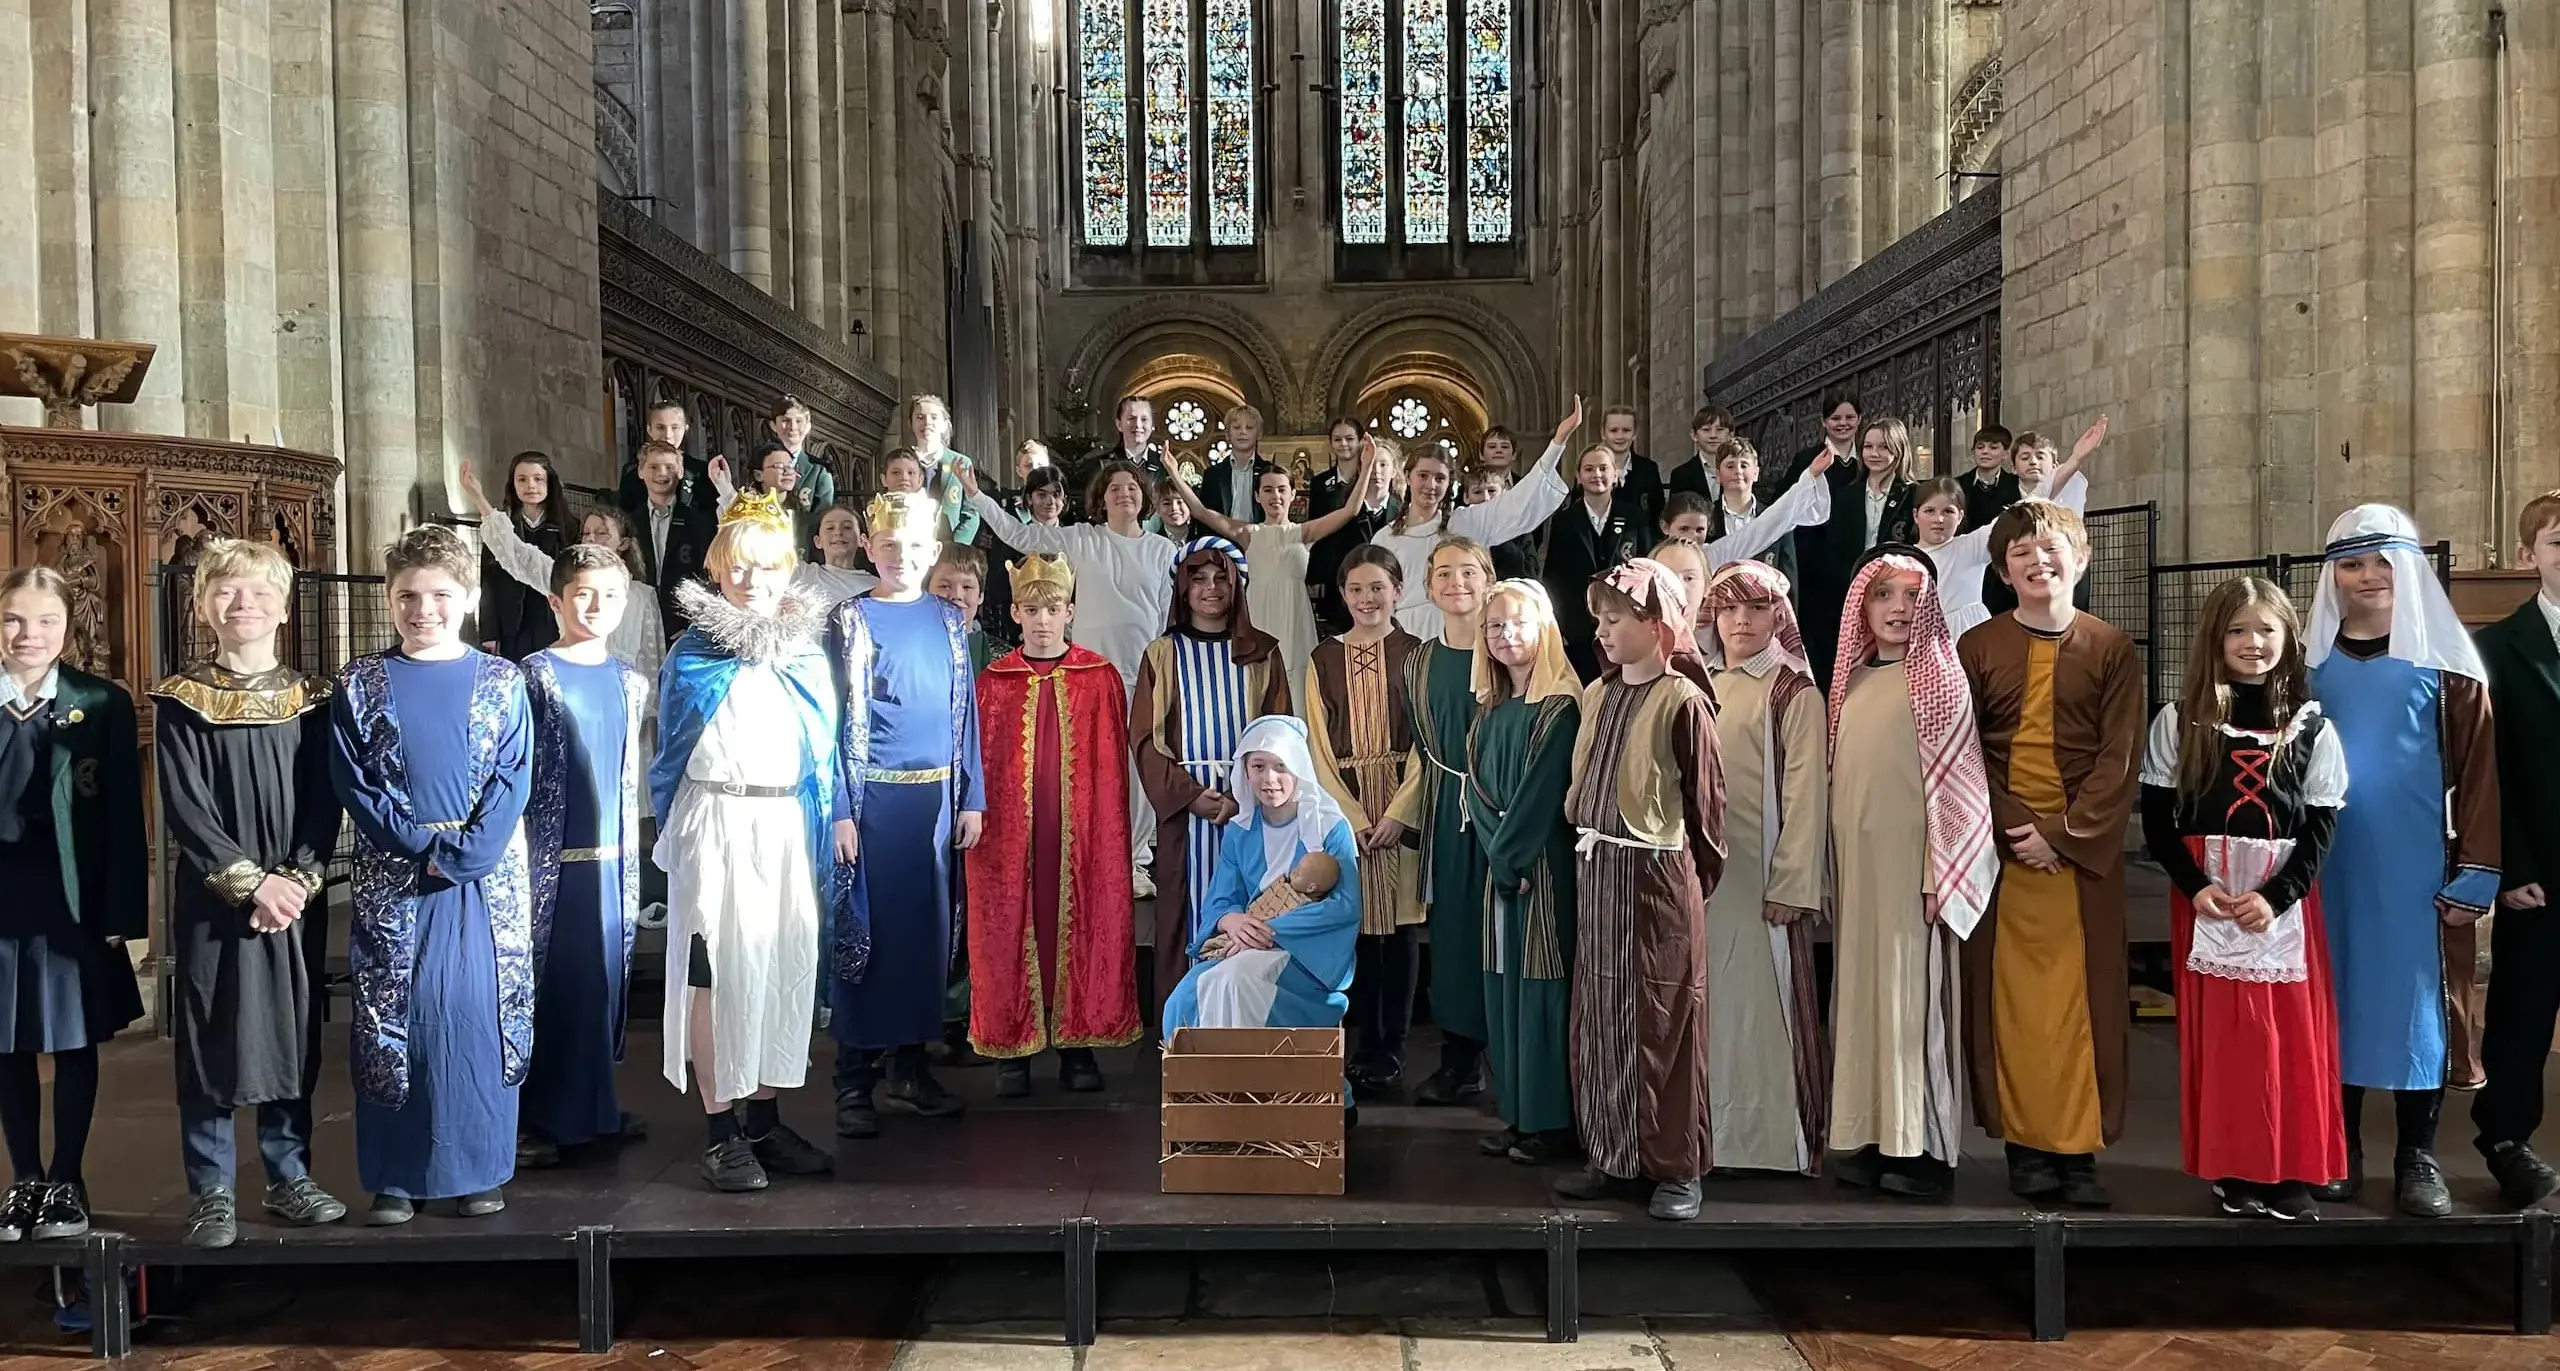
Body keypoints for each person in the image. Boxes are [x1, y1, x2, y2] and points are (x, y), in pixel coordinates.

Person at [330, 526, 534, 1225]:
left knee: (476, 1015)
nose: (424, 609)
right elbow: (355, 780)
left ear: (469, 598)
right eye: (407, 596)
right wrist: (418, 844)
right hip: (397, 878)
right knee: (398, 1017)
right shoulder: (359, 683)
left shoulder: (504, 682)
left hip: (482, 882)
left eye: (441, 595)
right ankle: (396, 1173)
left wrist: (466, 853)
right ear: (389, 600)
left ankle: (477, 1167)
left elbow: (513, 776)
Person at [2307, 503, 2500, 1217]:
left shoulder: (2446, 667)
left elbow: (2480, 776)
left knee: (2414, 1009)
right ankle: (2339, 1146)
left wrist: (2476, 871)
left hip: (2415, 865)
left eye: (2381, 562)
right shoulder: (2310, 665)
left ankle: (2417, 1153)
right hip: (2326, 866)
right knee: (2337, 1001)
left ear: (2409, 568)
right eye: (2352, 564)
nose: (2366, 576)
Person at [153, 541, 346, 1247]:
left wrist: (293, 880)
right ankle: (211, 1189)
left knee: (292, 1032)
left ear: (285, 607)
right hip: (216, 899)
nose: (245, 604)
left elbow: (326, 801)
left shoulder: (313, 698)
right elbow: (186, 806)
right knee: (210, 1034)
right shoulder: (181, 698)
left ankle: (288, 1173)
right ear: (204, 605)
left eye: (261, 592)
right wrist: (250, 883)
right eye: (228, 592)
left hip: (292, 897)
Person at [2138, 576, 2347, 1222]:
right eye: (2237, 630)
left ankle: (2291, 1168)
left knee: (2290, 1037)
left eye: (2265, 630)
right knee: (2226, 1042)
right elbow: (2157, 817)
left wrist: (2280, 894)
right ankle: (2235, 1168)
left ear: (2286, 639)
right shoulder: (2183, 719)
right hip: (2209, 898)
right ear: (2215, 639)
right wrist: (2195, 885)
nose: (2252, 642)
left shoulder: (2310, 725)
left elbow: (2320, 824)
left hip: (2279, 903)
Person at [653, 491, 842, 1193]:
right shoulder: (694, 653)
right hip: (718, 822)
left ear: (785, 568)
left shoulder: (804, 653)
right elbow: (670, 753)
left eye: (765, 566)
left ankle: (763, 1119)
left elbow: (821, 752)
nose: (751, 579)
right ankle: (720, 1131)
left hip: (785, 824)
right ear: (718, 568)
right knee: (716, 969)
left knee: (778, 965)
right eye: (738, 566)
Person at [1957, 499, 2144, 1208]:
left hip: (2079, 859)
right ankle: (2027, 1147)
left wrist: (2063, 834)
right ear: (2005, 573)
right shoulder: (1978, 647)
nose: (2039, 562)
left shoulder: (2111, 648)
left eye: (2051, 548)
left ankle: (2078, 1147)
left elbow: (2118, 757)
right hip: (2004, 858)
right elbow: (1964, 753)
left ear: (2081, 557)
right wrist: (2014, 827)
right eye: (2022, 554)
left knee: (2083, 1004)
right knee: (2013, 1006)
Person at [1552, 558, 1725, 1222]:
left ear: (1658, 625)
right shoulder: (1597, 693)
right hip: (1597, 873)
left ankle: (1675, 1166)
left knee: (1662, 1019)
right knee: (1602, 1015)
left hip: (1654, 881)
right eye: (1599, 618)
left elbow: (1707, 816)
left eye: (1616, 618)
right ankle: (1612, 1153)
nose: (1602, 630)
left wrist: (1680, 887)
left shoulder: (1684, 701)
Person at [1826, 545, 1998, 1201]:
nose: (1898, 608)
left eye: (1910, 596)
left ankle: (1923, 1147)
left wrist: (1939, 873)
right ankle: (1870, 1133)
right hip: (1860, 873)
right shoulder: (1854, 682)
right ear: (1861, 607)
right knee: (1864, 1003)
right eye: (1882, 595)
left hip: (1913, 878)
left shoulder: (1941, 680)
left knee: (1911, 1008)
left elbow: (1958, 787)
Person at [826, 491, 988, 1136]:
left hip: (937, 803)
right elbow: (829, 720)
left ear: (933, 552)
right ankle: (853, 1080)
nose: (903, 557)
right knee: (868, 938)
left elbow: (965, 711)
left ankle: (910, 1068)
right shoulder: (849, 619)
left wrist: (971, 795)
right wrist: (840, 807)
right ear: (870, 549)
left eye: (916, 547)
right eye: (890, 546)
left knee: (924, 940)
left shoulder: (948, 620)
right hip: (872, 802)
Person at [0, 568, 143, 1244]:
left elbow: (122, 815)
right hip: (4, 898)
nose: (29, 634)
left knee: (73, 1035)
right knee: (8, 1042)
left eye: (45, 621)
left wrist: (123, 912)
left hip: (74, 899)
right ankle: (24, 1177)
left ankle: (66, 1178)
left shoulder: (101, 702)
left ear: (68, 626)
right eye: (15, 620)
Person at [963, 458, 1179, 897]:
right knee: (1089, 768)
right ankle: (1091, 855)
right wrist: (975, 495)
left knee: (1139, 769)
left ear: (1144, 497)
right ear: (1101, 499)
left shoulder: (1162, 551)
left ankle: (1136, 861)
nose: (1125, 494)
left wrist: (1162, 671)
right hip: (1089, 674)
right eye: (1115, 488)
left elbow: (1165, 615)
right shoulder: (1082, 539)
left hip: (1142, 672)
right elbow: (1021, 535)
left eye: (1132, 488)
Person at [968, 555, 1137, 1093]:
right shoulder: (994, 681)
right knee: (1010, 923)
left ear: (1071, 612)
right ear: (1015, 612)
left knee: (1080, 917)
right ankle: (1011, 1050)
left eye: (1054, 609)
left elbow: (1111, 765)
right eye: (1033, 609)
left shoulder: (1099, 677)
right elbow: (980, 760)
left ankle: (1077, 1044)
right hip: (1011, 832)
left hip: (1077, 827)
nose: (1044, 619)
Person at [514, 544, 653, 1171]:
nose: (596, 607)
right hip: (552, 860)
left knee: (603, 983)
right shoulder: (533, 675)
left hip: (614, 858)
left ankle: (596, 1109)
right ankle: (541, 1118)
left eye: (610, 596)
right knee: (557, 985)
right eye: (583, 595)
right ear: (556, 601)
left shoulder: (630, 679)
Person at [1698, 560, 1831, 1177]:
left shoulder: (1792, 690)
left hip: (1763, 886)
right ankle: (1709, 1139)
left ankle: (1776, 1144)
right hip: (1702, 883)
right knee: (1713, 1011)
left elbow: (1808, 794)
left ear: (1778, 617)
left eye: (1755, 609)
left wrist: (1794, 885)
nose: (1741, 621)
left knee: (1765, 1010)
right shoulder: (1699, 683)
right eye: (1728, 609)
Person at [1132, 537, 1293, 1021]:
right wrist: (1192, 797)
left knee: (1256, 912)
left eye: (1221, 577)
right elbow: (1144, 738)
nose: (1211, 588)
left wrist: (1251, 794)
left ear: (1238, 586)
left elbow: (1278, 730)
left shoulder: (1262, 652)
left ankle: (1246, 1029)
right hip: (1187, 812)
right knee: (1185, 914)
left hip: (1251, 808)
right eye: (1199, 579)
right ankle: (1184, 1031)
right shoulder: (1163, 653)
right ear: (1182, 588)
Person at [1377, 538, 1503, 1105]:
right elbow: (1420, 751)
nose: (1457, 583)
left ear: (1489, 578)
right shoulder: (1421, 660)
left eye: (1469, 572)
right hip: (1447, 816)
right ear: (1428, 587)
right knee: (1454, 939)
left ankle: (1512, 1060)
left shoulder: (1511, 647)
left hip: (1504, 813)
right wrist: (1403, 813)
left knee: (1506, 936)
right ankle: (1458, 1061)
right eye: (1444, 573)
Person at [1463, 579, 1581, 1165]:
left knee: (1541, 987)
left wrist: (1512, 859)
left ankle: (1550, 1121)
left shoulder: (1561, 707)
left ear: (1544, 630)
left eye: (1517, 623)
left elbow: (1542, 797)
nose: (1504, 635)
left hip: (1541, 870)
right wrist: (1499, 860)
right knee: (1503, 984)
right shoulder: (1489, 710)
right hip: (1504, 868)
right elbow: (1480, 794)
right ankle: (1515, 1112)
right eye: (1494, 626)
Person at [1300, 546, 1425, 1095]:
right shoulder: (1323, 658)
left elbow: (1431, 740)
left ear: (1398, 590)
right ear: (1343, 595)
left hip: (1402, 800)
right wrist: (1348, 815)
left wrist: (1400, 811)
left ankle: (1391, 1048)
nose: (1368, 599)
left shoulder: (1418, 654)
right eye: (1356, 589)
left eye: (1379, 587)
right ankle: (1356, 1044)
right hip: (1347, 805)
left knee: (1397, 933)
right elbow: (1317, 743)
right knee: (1354, 930)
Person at [1160, 716, 1363, 1037]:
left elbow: (1344, 907)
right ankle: (1207, 1085)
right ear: (1245, 771)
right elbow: (1222, 898)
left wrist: (1268, 931)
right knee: (1185, 997)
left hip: (1303, 954)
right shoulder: (1240, 831)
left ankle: (1259, 1083)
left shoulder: (1330, 827)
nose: (1270, 778)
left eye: (1281, 765)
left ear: (1298, 765)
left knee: (1238, 982)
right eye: (1258, 767)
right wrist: (1232, 922)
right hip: (1245, 943)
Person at [2471, 491, 2560, 1209]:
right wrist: (2511, 867)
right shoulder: (2499, 647)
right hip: (2539, 870)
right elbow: (2491, 768)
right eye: (2558, 542)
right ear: (2530, 555)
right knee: (2524, 1012)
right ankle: (2506, 1140)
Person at [1173, 441, 1376, 707]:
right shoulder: (1248, 534)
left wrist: (1368, 465)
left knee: (1298, 688)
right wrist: (1172, 471)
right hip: (1258, 614)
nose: (1275, 496)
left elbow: (1349, 510)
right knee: (1257, 685)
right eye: (1267, 489)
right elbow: (1201, 512)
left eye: (1282, 489)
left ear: (1293, 494)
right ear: (1257, 496)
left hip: (1294, 616)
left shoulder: (1303, 533)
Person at [1374, 400, 1581, 641]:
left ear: (1449, 484)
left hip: (1458, 633)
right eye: (1423, 475)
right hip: (1404, 634)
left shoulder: (1463, 525)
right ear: (1407, 476)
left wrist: (1558, 442)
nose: (1431, 485)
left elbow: (1518, 505)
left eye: (1440, 478)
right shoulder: (1385, 538)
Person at [461, 463, 667, 680]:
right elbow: (519, 556)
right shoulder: (563, 579)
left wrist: (649, 712)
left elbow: (652, 661)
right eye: (586, 533)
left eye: (602, 533)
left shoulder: (642, 595)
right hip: (572, 680)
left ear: (623, 543)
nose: (591, 539)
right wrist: (479, 500)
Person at [1924, 417, 2104, 639]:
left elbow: (2029, 504)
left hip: (1970, 629)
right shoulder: (1902, 559)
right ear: (1916, 515)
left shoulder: (1970, 546)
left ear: (1960, 515)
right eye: (1930, 511)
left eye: (1948, 512)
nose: (1939, 520)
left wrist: (2076, 459)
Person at [1797, 418, 1920, 690]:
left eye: (1883, 447)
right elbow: (1831, 550)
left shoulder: (1912, 495)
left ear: (1899, 451)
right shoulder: (1845, 496)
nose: (1874, 454)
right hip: (1847, 594)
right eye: (1868, 447)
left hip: (1894, 596)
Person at [1542, 444, 1659, 682]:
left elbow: (1646, 567)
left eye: (1603, 468)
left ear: (1615, 474)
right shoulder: (1564, 520)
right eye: (1589, 469)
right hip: (1578, 628)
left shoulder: (1634, 516)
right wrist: (1560, 625)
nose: (1596, 475)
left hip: (1625, 622)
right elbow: (1553, 576)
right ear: (1579, 476)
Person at [1307, 417, 1399, 632]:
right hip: (1345, 595)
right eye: (1372, 465)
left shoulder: (1401, 510)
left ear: (1394, 470)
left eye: (1383, 465)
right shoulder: (1347, 509)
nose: (1377, 471)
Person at [479, 450, 567, 661]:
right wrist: (489, 633)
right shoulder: (500, 529)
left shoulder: (569, 527)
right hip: (512, 624)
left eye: (538, 479)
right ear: (513, 484)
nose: (531, 486)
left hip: (552, 620)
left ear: (550, 482)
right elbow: (488, 583)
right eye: (522, 479)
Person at [626, 438, 716, 635]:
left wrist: (692, 625)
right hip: (637, 622)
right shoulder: (628, 522)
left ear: (681, 471)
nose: (662, 473)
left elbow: (707, 575)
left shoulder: (699, 522)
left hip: (683, 624)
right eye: (654, 467)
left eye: (669, 467)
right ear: (641, 471)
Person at [616, 398, 717, 514]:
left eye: (675, 428)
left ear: (685, 429)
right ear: (649, 430)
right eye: (660, 427)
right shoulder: (631, 471)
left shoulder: (701, 471)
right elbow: (624, 515)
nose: (668, 435)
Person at [907, 394, 981, 546]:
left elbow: (971, 512)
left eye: (934, 417)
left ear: (945, 424)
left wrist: (956, 546)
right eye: (920, 417)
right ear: (911, 423)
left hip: (949, 547)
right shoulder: (902, 461)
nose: (927, 423)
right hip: (910, 546)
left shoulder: (960, 463)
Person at [1195, 404, 1272, 523]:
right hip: (1222, 539)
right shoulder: (1213, 474)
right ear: (1227, 434)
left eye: (1249, 427)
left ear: (1259, 434)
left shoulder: (1269, 471)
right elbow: (1205, 516)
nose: (1243, 432)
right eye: (1236, 427)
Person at [795, 503, 880, 607]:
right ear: (818, 541)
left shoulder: (877, 586)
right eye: (830, 528)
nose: (838, 532)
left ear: (862, 540)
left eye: (847, 527)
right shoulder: (800, 573)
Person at [1595, 403, 1666, 527]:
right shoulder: (1590, 467)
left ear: (1634, 434)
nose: (1620, 436)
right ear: (1603, 433)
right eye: (1613, 430)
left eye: (1626, 430)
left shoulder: (1648, 469)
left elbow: (1658, 513)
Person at [929, 547, 997, 675]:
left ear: (980, 595)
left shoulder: (1001, 658)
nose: (957, 595)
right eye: (944, 586)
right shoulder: (910, 650)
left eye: (967, 587)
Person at [1469, 466, 1542, 582]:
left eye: (1492, 491)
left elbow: (1531, 573)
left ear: (1505, 493)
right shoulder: (1459, 529)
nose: (1486, 498)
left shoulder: (1520, 528)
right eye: (1477, 492)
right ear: (1466, 497)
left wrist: (1498, 537)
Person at [1663, 406, 1737, 504]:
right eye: (1706, 430)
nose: (1713, 435)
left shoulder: (1741, 471)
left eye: (1720, 429)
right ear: (1694, 435)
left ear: (1731, 435)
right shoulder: (1681, 475)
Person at [1958, 425, 2019, 534]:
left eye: (1993, 447)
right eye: (1980, 447)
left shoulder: (2016, 484)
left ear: (2006, 454)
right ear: (1973, 452)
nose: (1985, 452)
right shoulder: (1958, 484)